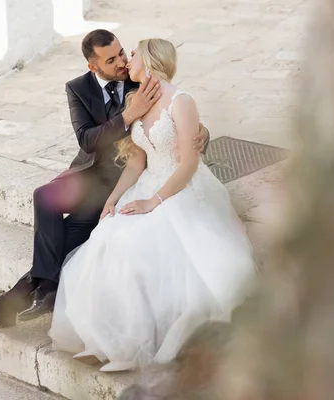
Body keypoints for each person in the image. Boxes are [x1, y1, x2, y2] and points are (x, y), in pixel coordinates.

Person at [0, 30, 209, 329]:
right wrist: (128, 117)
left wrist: (203, 134)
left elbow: (176, 116)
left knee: (68, 238)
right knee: (44, 196)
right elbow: (87, 140)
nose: (123, 63)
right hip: (91, 173)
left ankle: (12, 303)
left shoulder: (139, 77)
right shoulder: (78, 88)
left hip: (127, 177)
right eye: (112, 59)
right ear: (94, 66)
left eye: (123, 53)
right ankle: (45, 289)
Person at [48, 38, 256, 372]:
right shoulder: (138, 99)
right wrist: (113, 200)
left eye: (132, 54)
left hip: (180, 188)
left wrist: (152, 201)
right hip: (146, 184)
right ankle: (105, 342)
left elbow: (188, 163)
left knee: (139, 250)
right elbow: (136, 162)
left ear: (148, 59)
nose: (127, 59)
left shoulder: (181, 101)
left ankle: (130, 349)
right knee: (106, 240)